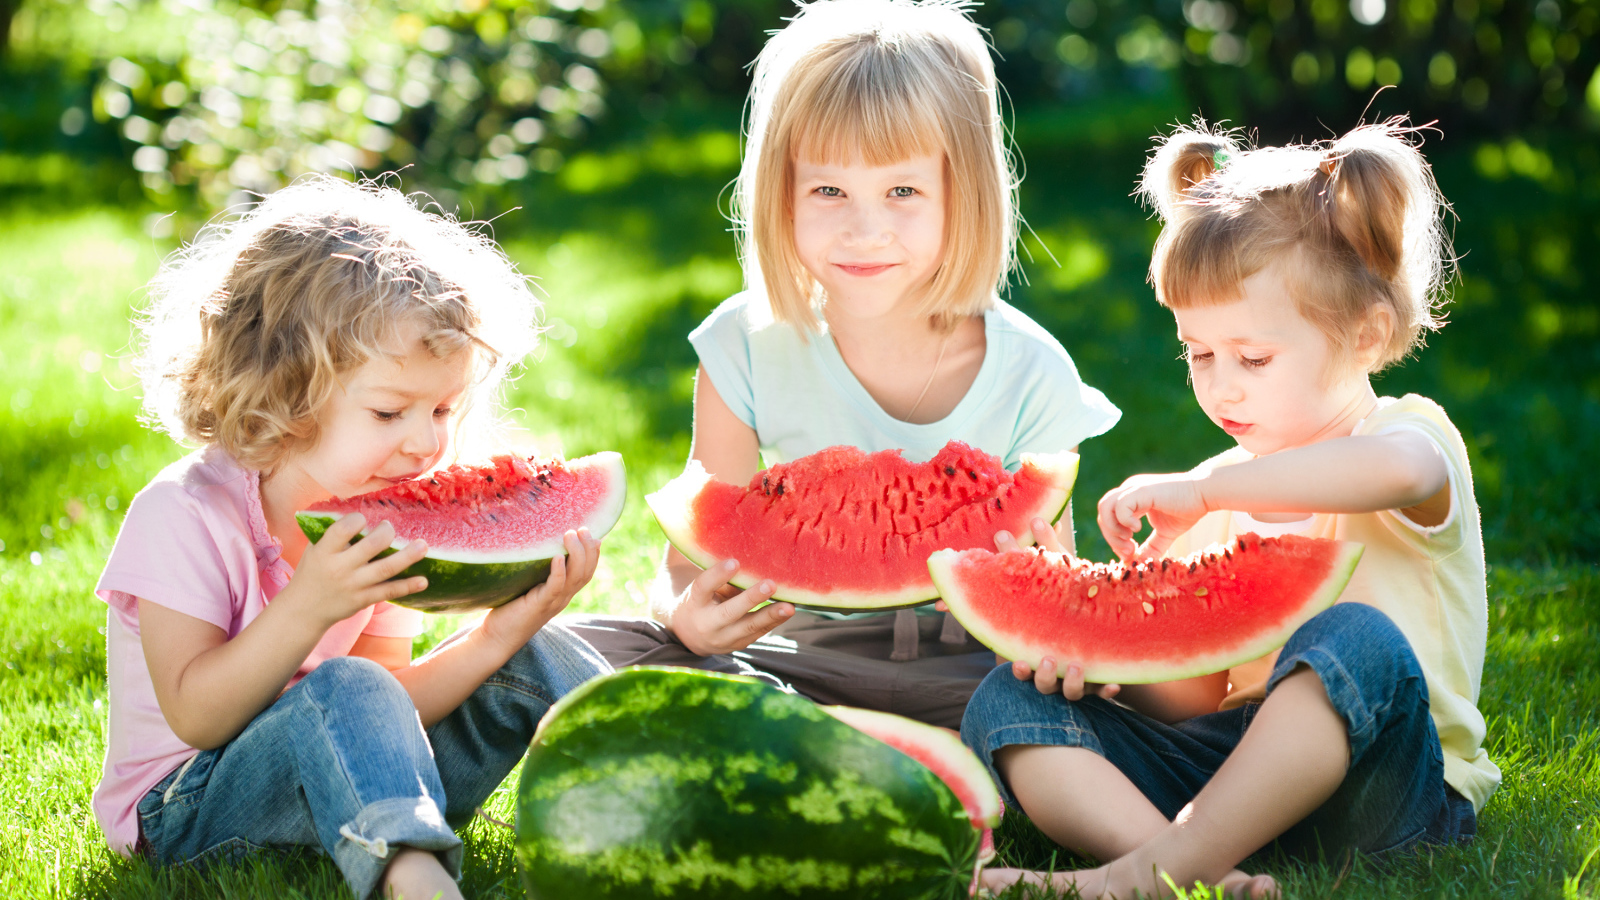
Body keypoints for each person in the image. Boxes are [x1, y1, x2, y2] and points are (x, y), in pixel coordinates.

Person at [961, 121, 1498, 898]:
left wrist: (1210, 491)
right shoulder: (1214, 487)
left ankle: (1144, 876)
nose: (1221, 385)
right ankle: (1198, 869)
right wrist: (1100, 660)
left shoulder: (1408, 436)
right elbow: (1193, 690)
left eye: (1252, 358)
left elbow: (1394, 472)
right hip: (1226, 778)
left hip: (1386, 786)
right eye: (1198, 353)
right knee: (1005, 701)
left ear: (1366, 334)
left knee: (1357, 639)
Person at [567, 0, 1120, 729]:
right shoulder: (743, 345)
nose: (866, 230)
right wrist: (686, 616)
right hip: (792, 657)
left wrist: (1062, 641)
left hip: (978, 676)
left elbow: (1046, 580)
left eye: (903, 192)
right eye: (828, 190)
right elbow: (689, 563)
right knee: (573, 650)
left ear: (966, 193)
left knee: (1091, 699)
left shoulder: (1032, 372)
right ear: (780, 192)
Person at [93, 177, 611, 900]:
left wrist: (499, 639)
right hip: (188, 809)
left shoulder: (379, 520)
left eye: (443, 408)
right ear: (284, 388)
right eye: (390, 412)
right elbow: (196, 713)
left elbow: (389, 703)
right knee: (346, 683)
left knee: (537, 649)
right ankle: (415, 875)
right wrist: (310, 605)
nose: (426, 442)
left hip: (360, 781)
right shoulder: (182, 515)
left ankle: (676, 792)